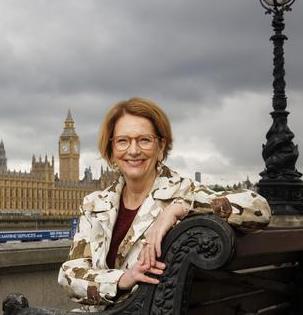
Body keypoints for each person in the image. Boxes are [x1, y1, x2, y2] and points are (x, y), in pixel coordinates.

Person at [57, 97, 271, 312]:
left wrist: (180, 207)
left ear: (161, 147)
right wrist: (121, 279)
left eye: (144, 140)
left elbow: (259, 209)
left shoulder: (182, 191)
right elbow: (69, 274)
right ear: (111, 150)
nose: (133, 150)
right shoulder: (94, 204)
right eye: (123, 141)